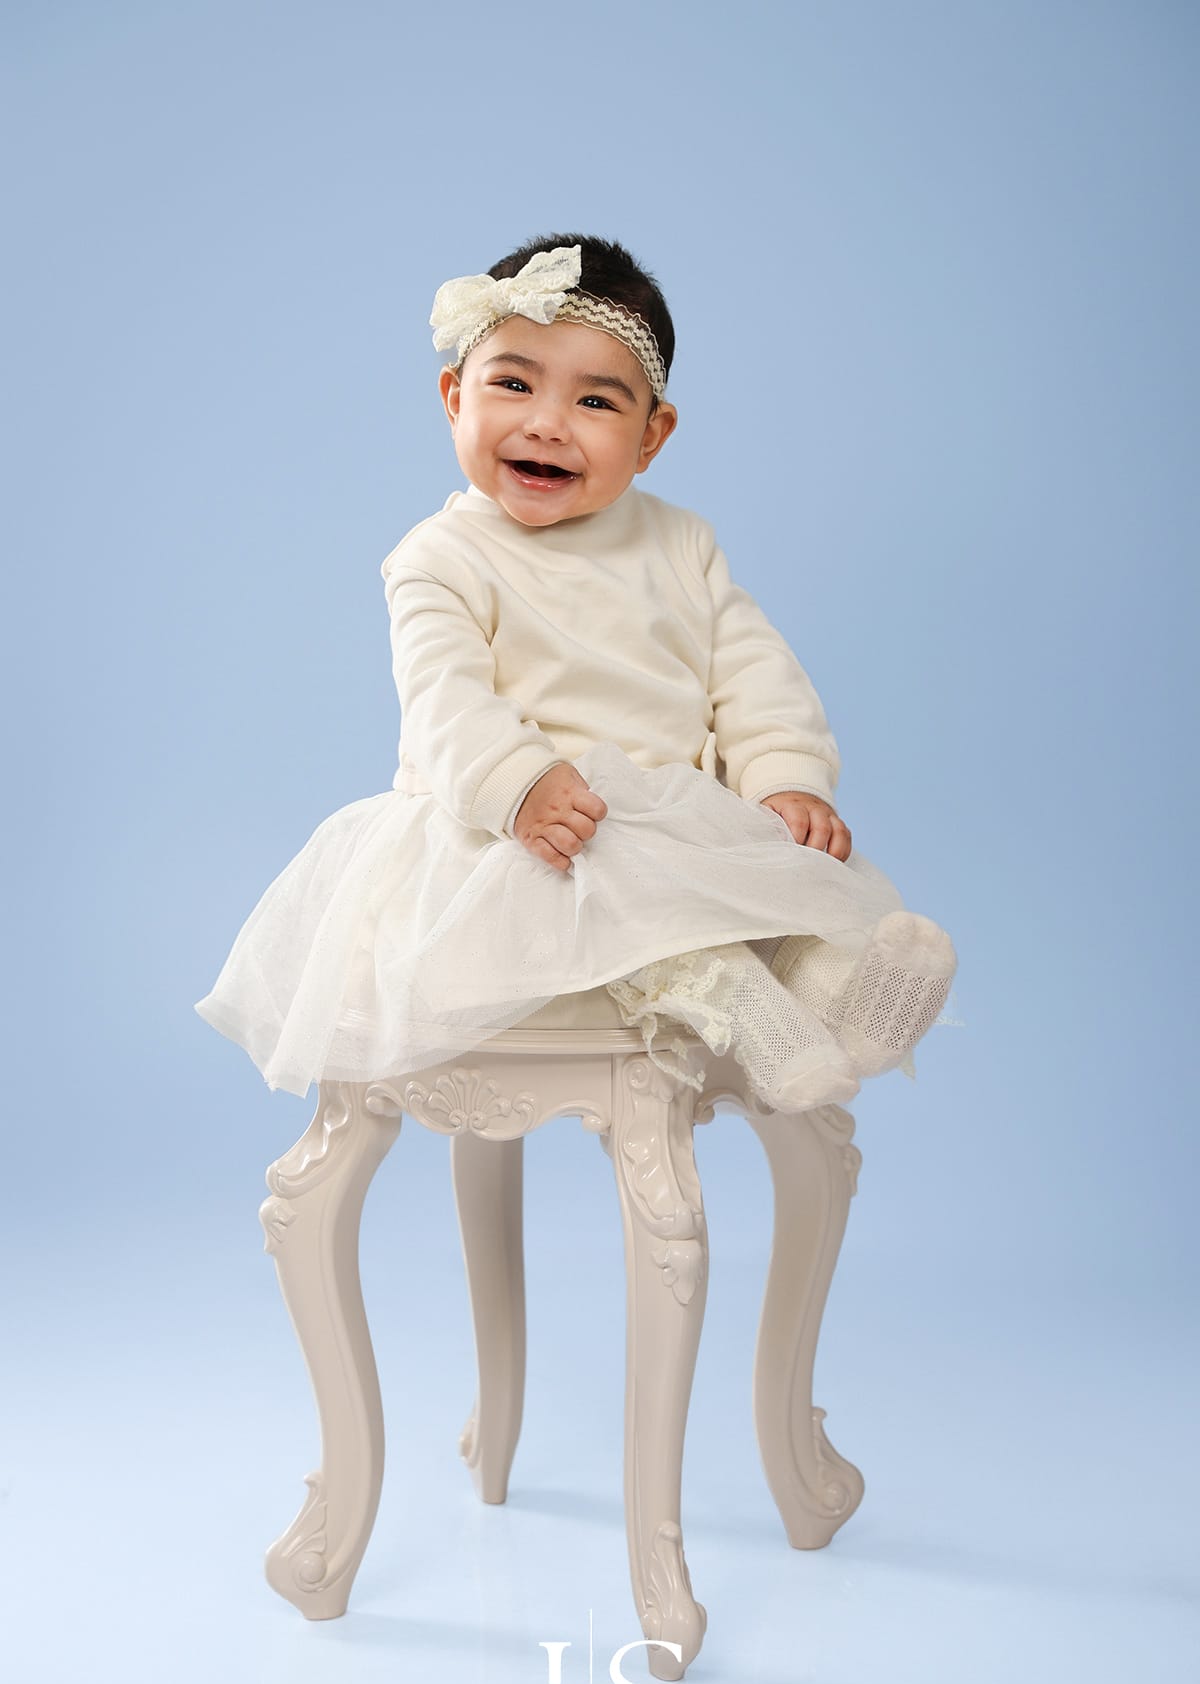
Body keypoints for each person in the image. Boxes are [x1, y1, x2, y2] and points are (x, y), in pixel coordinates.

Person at [194, 235, 958, 1112]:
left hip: (675, 813)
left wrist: (785, 777)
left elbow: (752, 672)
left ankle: (845, 994)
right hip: (527, 836)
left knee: (775, 883)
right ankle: (761, 1026)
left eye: (596, 400)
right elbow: (445, 701)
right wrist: (516, 783)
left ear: (651, 438)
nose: (547, 422)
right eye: (513, 384)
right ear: (454, 398)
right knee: (637, 900)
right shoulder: (440, 556)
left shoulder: (681, 543)